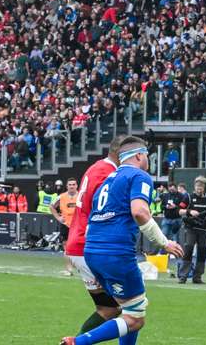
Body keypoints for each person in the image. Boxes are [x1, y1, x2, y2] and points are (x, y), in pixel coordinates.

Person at [61, 138, 184, 345]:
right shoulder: (139, 175)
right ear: (138, 155)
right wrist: (165, 243)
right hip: (115, 253)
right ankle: (79, 342)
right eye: (146, 155)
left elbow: (92, 220)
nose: (148, 160)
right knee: (135, 318)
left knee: (129, 307)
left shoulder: (108, 179)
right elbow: (140, 212)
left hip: (92, 251)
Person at [64, 136, 126, 337]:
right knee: (132, 306)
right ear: (121, 154)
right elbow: (100, 212)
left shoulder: (97, 168)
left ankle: (77, 342)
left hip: (80, 245)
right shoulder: (108, 174)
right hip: (89, 247)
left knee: (109, 310)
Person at [178, 176, 206, 284]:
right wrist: (189, 212)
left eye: (201, 186)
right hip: (191, 228)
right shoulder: (188, 197)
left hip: (204, 229)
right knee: (188, 250)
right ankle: (183, 276)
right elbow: (179, 211)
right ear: (194, 186)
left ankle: (197, 277)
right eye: (197, 186)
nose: (199, 188)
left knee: (202, 252)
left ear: (204, 187)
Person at [51, 179, 79, 277]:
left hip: (78, 225)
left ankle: (82, 268)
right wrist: (58, 217)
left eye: (73, 184)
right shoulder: (61, 197)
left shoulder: (81, 196)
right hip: (66, 224)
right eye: (70, 184)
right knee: (66, 247)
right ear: (67, 186)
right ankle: (69, 270)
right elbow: (51, 206)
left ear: (77, 185)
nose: (72, 186)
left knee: (81, 247)